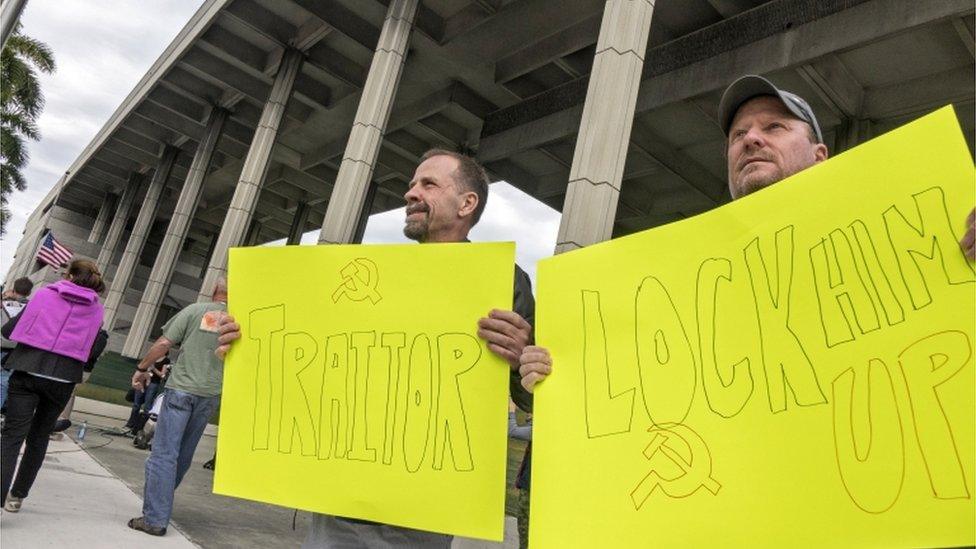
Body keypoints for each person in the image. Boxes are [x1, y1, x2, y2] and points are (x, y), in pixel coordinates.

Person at [517, 74, 976, 391]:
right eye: (738, 135)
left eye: (774, 126)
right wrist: (553, 377)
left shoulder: (900, 235)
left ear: (819, 155)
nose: (751, 139)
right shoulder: (683, 282)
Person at [215, 149, 536, 548]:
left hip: (423, 503)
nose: (410, 193)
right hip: (340, 496)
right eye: (412, 183)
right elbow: (308, 354)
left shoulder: (504, 282)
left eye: (428, 184)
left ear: (467, 204)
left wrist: (522, 358)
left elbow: (531, 396)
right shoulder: (371, 275)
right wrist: (247, 343)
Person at [0, 260, 105, 512]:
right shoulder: (96, 309)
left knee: (12, 436)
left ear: (69, 276)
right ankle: (17, 496)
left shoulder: (45, 295)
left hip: (28, 368)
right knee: (39, 436)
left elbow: (8, 330)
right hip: (64, 377)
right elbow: (93, 347)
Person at [127, 278, 227, 536]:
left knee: (163, 454)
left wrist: (141, 369)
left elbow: (163, 344)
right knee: (184, 453)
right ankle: (161, 501)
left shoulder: (195, 311)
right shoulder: (238, 320)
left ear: (213, 291)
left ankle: (155, 519)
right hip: (211, 395)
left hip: (181, 390)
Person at [51, 326, 108, 435]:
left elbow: (93, 354)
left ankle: (63, 418)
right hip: (75, 365)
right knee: (67, 391)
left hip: (84, 369)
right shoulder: (87, 332)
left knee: (70, 392)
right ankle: (60, 417)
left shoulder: (101, 337)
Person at [1, 277, 33, 415]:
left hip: (1, 344)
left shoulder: (3, 304)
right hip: (18, 350)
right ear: (29, 292)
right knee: (5, 382)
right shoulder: (32, 308)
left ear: (14, 289)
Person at [120, 354, 170, 437]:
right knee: (136, 404)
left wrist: (153, 368)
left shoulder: (166, 360)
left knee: (147, 406)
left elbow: (162, 375)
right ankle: (130, 424)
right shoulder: (151, 356)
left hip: (153, 383)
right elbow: (141, 367)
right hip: (142, 381)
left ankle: (142, 427)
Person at [508, 400, 532, 549]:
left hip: (530, 490)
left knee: (524, 528)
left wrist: (511, 410)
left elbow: (512, 431)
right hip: (528, 485)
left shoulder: (540, 429)